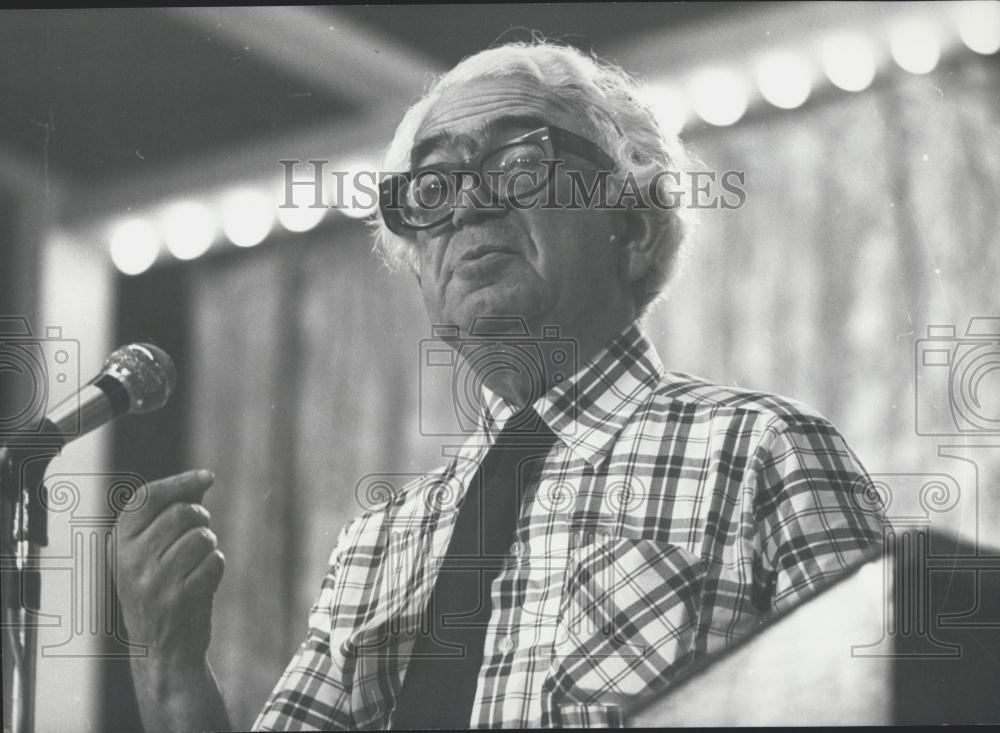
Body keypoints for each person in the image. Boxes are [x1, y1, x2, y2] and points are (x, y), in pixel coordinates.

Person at [112, 41, 887, 730]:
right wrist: (169, 669)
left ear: (635, 225)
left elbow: (894, 700)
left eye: (520, 164)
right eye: (432, 188)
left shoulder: (763, 454)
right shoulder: (378, 542)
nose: (469, 204)